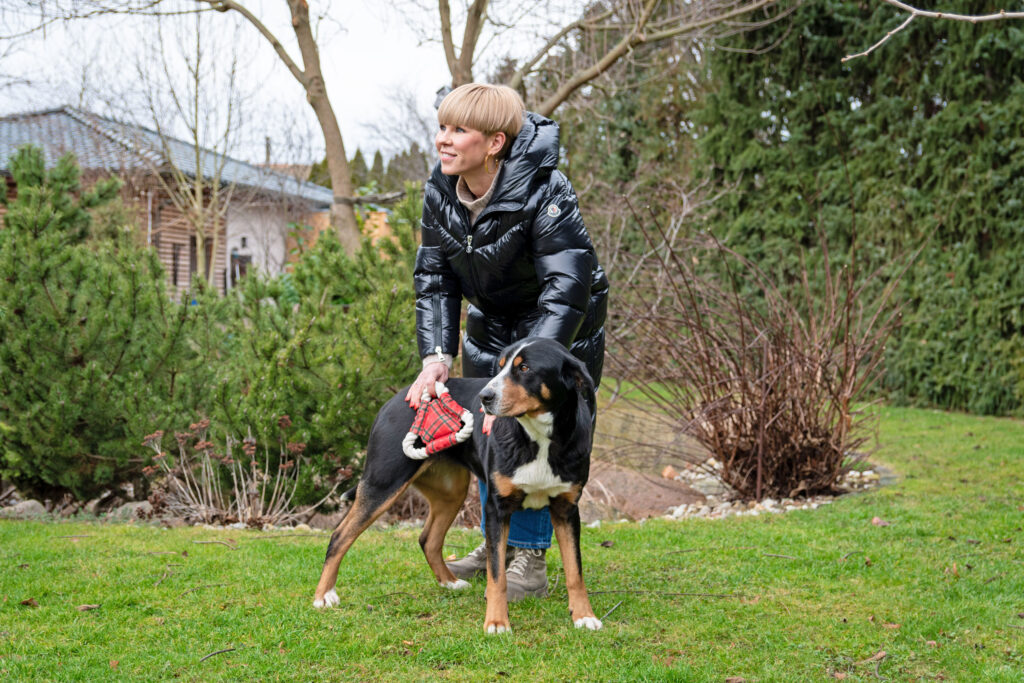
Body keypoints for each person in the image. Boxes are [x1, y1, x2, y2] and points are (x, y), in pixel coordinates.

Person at [405, 83, 608, 600]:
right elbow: (434, 278)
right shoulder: (439, 189)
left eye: (458, 131)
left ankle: (531, 562)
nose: (442, 141)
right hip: (493, 326)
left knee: (543, 438)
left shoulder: (547, 189)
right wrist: (435, 356)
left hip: (559, 331)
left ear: (494, 142)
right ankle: (499, 545)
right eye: (442, 127)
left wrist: (530, 364)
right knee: (490, 435)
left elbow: (567, 287)